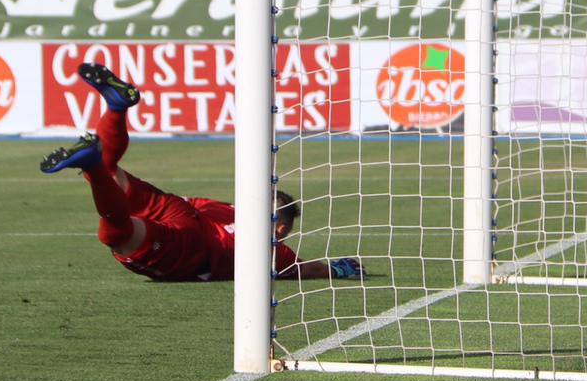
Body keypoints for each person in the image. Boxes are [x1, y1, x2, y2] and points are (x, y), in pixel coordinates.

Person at [40, 64, 364, 284]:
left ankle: (116, 109)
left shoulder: (230, 208)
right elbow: (306, 269)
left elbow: (191, 206)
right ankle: (92, 164)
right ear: (280, 226)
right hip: (194, 249)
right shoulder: (274, 249)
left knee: (113, 175)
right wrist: (341, 267)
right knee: (117, 236)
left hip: (184, 209)